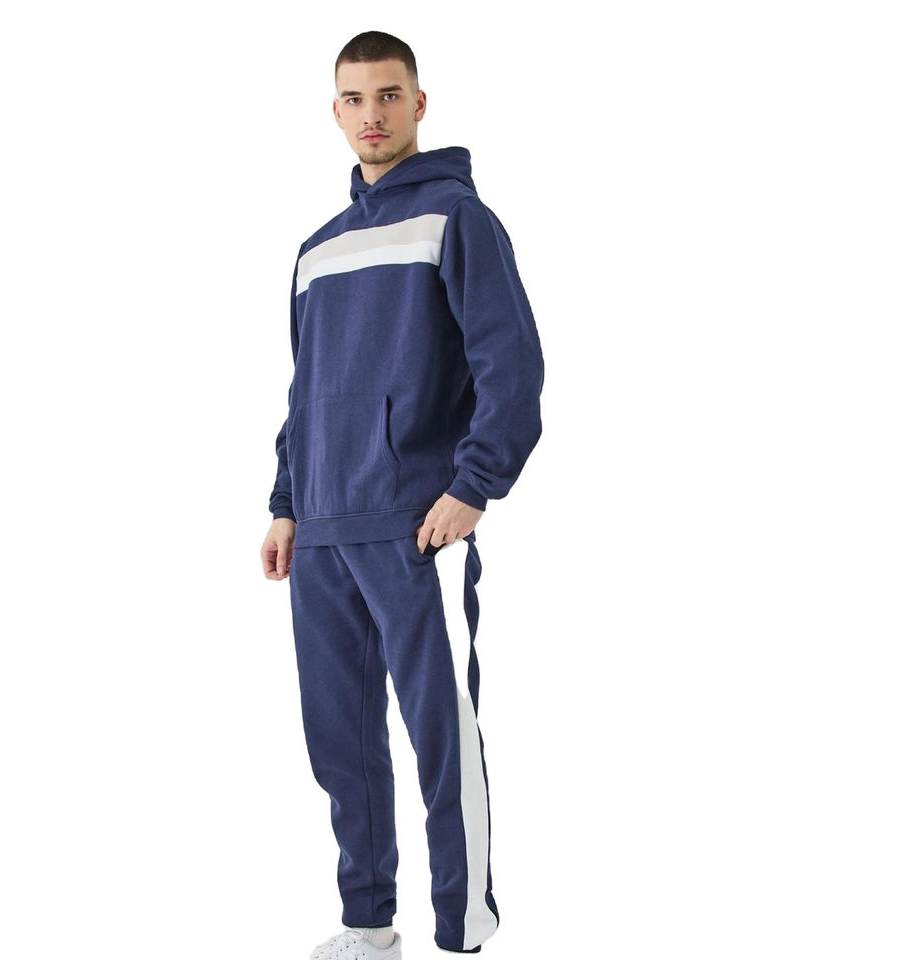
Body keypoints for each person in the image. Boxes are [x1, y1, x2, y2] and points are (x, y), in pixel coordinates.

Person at [260, 30, 545, 960]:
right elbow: (304, 390)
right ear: (335, 111)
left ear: (419, 104)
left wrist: (474, 487)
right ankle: (368, 923)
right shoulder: (315, 250)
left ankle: (462, 929)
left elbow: (512, 369)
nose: (372, 116)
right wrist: (286, 502)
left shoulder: (459, 220)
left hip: (418, 525)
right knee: (340, 743)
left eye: (389, 96)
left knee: (440, 742)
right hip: (323, 532)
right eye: (354, 99)